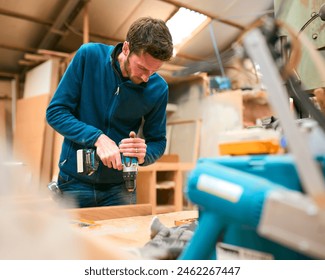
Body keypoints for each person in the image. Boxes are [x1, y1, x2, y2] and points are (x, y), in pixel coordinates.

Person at [46, 17, 173, 208]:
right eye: (142, 68)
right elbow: (56, 112)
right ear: (126, 49)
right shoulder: (89, 57)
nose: (147, 78)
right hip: (74, 183)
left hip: (121, 188)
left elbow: (158, 141)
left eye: (154, 71)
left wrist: (144, 154)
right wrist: (97, 137)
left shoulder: (159, 88)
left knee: (121, 238)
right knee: (70, 239)